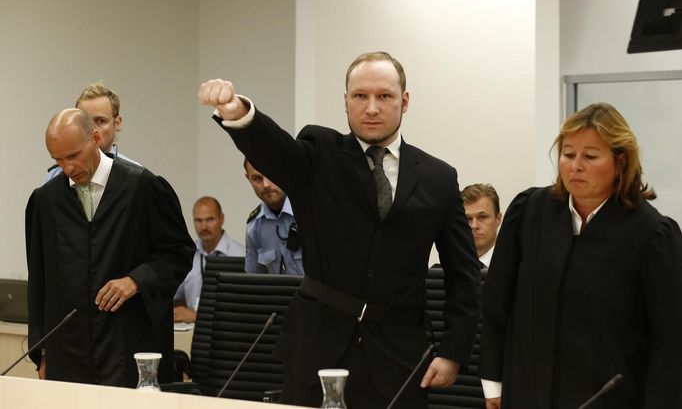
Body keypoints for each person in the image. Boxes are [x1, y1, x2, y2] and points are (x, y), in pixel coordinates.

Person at [198, 51, 480, 409]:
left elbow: (463, 273)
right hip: (317, 351)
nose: (372, 108)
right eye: (360, 96)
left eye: (385, 96)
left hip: (400, 359)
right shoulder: (319, 153)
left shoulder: (439, 178)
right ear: (345, 101)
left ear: (404, 101)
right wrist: (238, 112)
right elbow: (274, 148)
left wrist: (453, 352)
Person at [479, 102, 682, 408]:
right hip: (526, 393)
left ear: (620, 162)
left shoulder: (651, 234)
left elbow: (670, 343)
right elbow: (497, 304)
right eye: (568, 154)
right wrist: (493, 383)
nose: (575, 165)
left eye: (590, 156)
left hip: (608, 399)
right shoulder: (530, 212)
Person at [26, 109, 194, 387]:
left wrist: (136, 280)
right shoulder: (46, 200)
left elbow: (178, 253)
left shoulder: (143, 187)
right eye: (58, 159)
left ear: (95, 138)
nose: (68, 168)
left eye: (73, 156)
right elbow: (39, 282)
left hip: (128, 345)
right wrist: (42, 351)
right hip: (68, 352)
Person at [45, 82, 139, 181]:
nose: (92, 129)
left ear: (117, 123)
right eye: (85, 122)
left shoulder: (136, 177)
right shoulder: (53, 177)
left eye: (100, 121)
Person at [174, 196, 245, 323]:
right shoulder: (186, 255)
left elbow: (245, 307)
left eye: (210, 219)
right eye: (198, 220)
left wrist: (198, 316)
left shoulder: (242, 255)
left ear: (221, 219)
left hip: (229, 330)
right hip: (190, 332)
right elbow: (173, 294)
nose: (204, 226)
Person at [244, 159, 303, 275]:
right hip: (278, 293)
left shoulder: (311, 212)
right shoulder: (254, 226)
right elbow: (254, 281)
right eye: (257, 178)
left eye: (272, 174)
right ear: (248, 179)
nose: (266, 185)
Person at [461, 184, 502, 268]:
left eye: (482, 217)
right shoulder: (445, 270)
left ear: (498, 219)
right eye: (468, 219)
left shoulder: (517, 269)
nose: (474, 226)